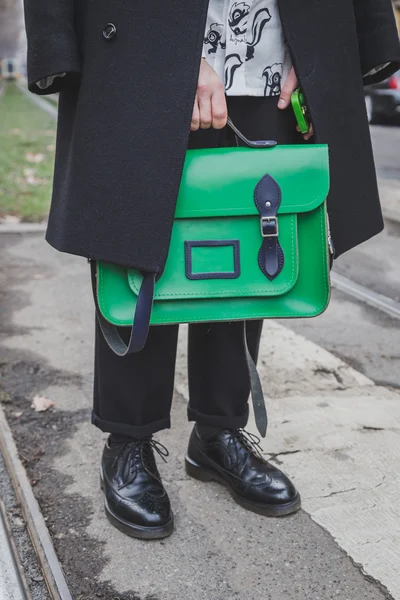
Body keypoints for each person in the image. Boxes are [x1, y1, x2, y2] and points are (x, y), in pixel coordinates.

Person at [24, 0, 400, 539]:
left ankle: (218, 434)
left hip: (274, 51)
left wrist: (330, 48)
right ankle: (128, 441)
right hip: (146, 35)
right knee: (138, 239)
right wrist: (178, 56)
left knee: (252, 242)